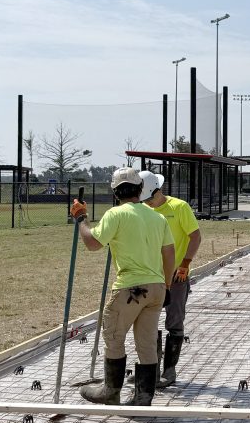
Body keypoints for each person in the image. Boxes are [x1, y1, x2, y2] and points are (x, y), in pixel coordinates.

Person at [72, 167, 174, 406]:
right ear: (140, 189)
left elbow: (93, 243)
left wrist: (81, 219)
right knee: (146, 344)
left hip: (130, 289)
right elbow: (169, 253)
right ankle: (143, 397)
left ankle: (111, 390)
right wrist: (167, 286)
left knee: (114, 336)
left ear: (115, 192)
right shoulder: (157, 217)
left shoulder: (115, 214)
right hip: (156, 288)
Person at [139, 171, 201, 387]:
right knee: (148, 322)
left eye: (150, 197)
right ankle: (151, 370)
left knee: (174, 322)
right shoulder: (143, 210)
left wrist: (185, 263)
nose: (148, 202)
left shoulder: (179, 207)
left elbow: (195, 236)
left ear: (159, 189)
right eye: (144, 199)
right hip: (150, 275)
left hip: (176, 276)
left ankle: (169, 370)